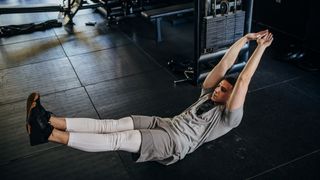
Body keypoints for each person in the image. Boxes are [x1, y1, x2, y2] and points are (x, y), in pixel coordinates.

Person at [25, 30, 273, 165]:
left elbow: (243, 80)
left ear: (233, 98)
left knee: (120, 139)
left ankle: (49, 134)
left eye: (224, 90)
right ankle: (49, 119)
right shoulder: (209, 93)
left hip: (176, 144)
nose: (218, 89)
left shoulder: (229, 117)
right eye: (220, 86)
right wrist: (245, 39)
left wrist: (260, 48)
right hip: (166, 123)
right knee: (111, 125)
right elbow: (224, 64)